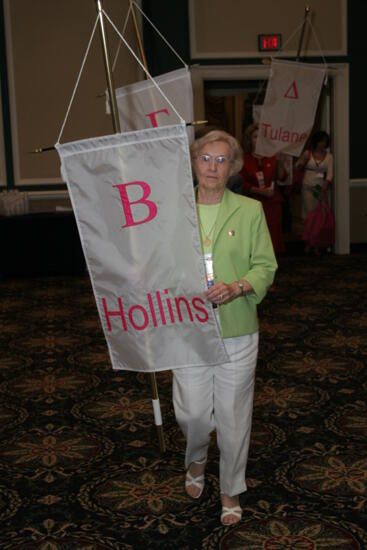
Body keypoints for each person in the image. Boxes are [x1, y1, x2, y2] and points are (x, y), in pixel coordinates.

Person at [172, 130, 277, 525]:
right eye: (205, 158)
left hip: (238, 328)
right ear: (194, 162)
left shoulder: (250, 210)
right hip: (187, 330)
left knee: (234, 415)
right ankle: (196, 457)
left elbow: (265, 265)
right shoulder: (175, 209)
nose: (213, 167)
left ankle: (231, 486)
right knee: (193, 414)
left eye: (221, 160)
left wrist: (238, 286)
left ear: (232, 167)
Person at [240, 123, 287, 254]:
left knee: (272, 237)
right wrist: (259, 191)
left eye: (261, 137)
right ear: (249, 140)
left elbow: (282, 177)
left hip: (272, 204)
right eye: (255, 137)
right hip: (252, 204)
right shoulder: (243, 159)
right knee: (255, 237)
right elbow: (241, 183)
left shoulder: (272, 157)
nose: (258, 140)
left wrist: (281, 162)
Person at [295, 130, 333, 255]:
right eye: (320, 142)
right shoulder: (308, 154)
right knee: (309, 216)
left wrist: (324, 188)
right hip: (307, 188)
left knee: (319, 217)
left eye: (325, 142)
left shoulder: (329, 156)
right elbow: (297, 166)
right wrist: (302, 162)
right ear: (316, 142)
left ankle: (315, 244)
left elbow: (329, 175)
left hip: (320, 189)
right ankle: (308, 243)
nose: (322, 144)